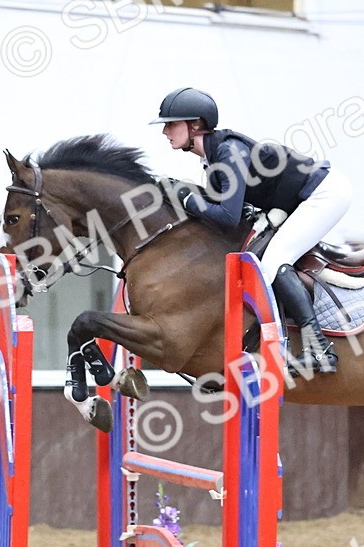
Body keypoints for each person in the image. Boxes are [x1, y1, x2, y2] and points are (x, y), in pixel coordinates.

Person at [151, 87, 352, 375]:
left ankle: (319, 350)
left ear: (195, 125)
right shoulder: (211, 158)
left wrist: (184, 198)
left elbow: (228, 217)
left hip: (325, 193)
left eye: (171, 124)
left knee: (273, 261)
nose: (165, 131)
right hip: (301, 198)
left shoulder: (228, 151)